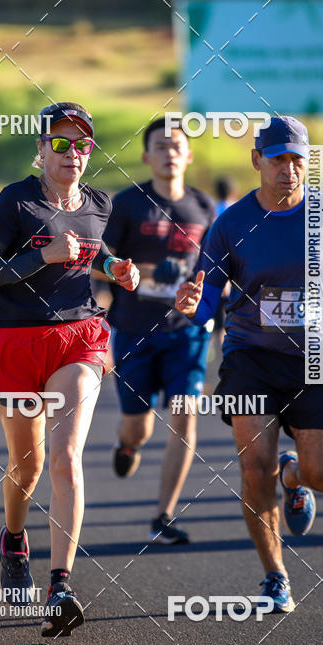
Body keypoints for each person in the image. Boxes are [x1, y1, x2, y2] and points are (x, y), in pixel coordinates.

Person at [175, 116, 323, 612]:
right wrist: (191, 308)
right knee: (253, 467)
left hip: (317, 355)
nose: (288, 169)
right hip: (250, 356)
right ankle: (275, 576)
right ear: (256, 160)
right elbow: (207, 302)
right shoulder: (232, 224)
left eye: (297, 159)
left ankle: (295, 476)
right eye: (278, 158)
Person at [0, 102, 139, 637]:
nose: (73, 153)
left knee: (66, 458)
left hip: (78, 339)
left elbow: (96, 250)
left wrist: (115, 268)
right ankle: (14, 538)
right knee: (29, 468)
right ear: (40, 150)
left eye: (82, 144)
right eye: (60, 144)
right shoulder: (15, 201)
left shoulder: (98, 204)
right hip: (18, 341)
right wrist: (40, 258)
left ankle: (60, 586)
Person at [102, 117, 216, 544]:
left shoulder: (204, 209)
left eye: (177, 145)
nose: (170, 152)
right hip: (134, 331)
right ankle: (127, 444)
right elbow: (104, 259)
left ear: (188, 155)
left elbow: (215, 269)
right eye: (160, 146)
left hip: (186, 332)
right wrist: (145, 271)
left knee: (186, 418)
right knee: (140, 428)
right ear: (147, 156)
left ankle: (163, 516)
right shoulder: (128, 204)